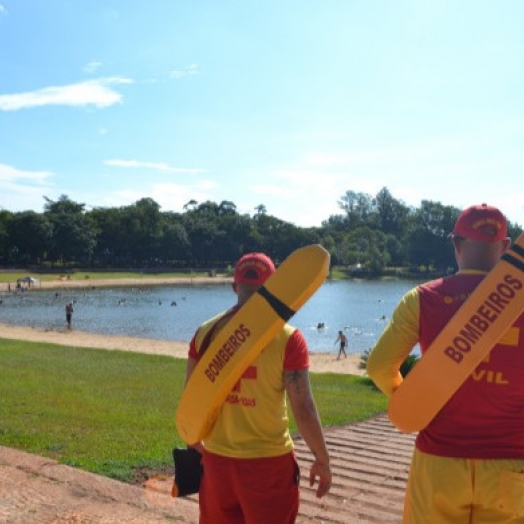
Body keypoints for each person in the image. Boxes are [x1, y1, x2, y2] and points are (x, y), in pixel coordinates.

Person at [366, 204, 524, 523]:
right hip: (511, 463)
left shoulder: (423, 298)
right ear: (506, 248)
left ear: (456, 244)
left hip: (439, 460)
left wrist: (413, 404)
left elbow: (380, 367)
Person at [184, 252, 332, 524]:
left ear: (234, 286)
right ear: (273, 287)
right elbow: (304, 408)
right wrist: (322, 460)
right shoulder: (288, 338)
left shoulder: (205, 333)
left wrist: (196, 442)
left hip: (218, 463)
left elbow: (191, 401)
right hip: (268, 465)